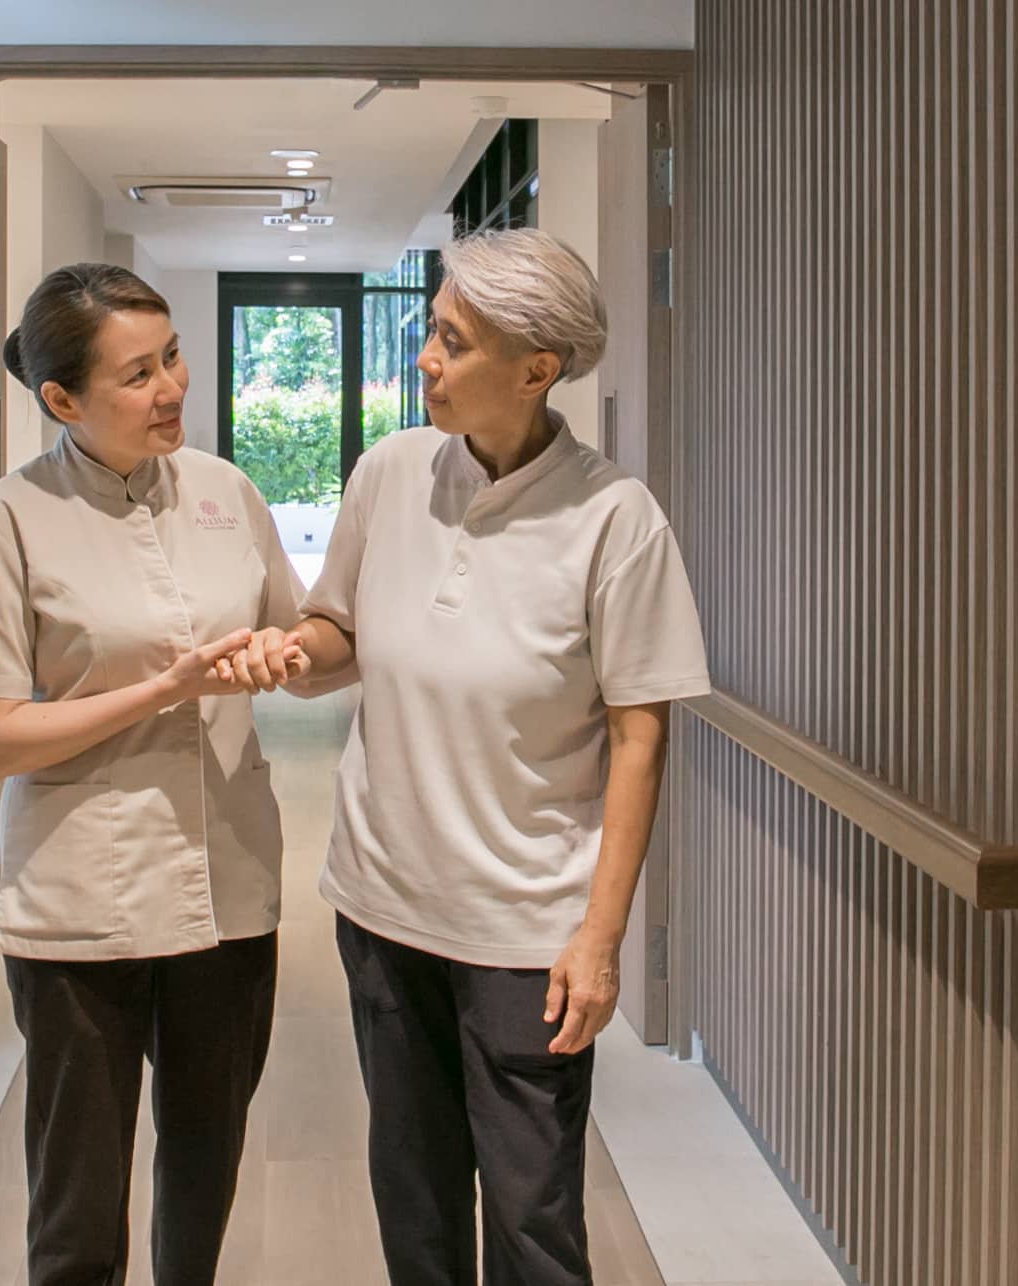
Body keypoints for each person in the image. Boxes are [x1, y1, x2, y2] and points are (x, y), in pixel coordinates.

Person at [222, 228, 712, 1285]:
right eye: (430, 330)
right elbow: (339, 630)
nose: (424, 359)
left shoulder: (612, 520)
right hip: (383, 906)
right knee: (415, 1200)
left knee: (533, 1222)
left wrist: (598, 934)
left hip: (523, 933)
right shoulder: (390, 470)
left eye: (450, 339)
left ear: (537, 367)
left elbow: (638, 734)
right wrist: (290, 650)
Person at [0, 263, 310, 1286]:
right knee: (76, 1206)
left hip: (229, 889)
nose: (172, 387)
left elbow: (301, 633)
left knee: (203, 1168)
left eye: (173, 355)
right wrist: (163, 687)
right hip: (81, 903)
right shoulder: (4, 519)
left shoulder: (225, 491)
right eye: (136, 374)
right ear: (60, 399)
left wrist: (289, 655)